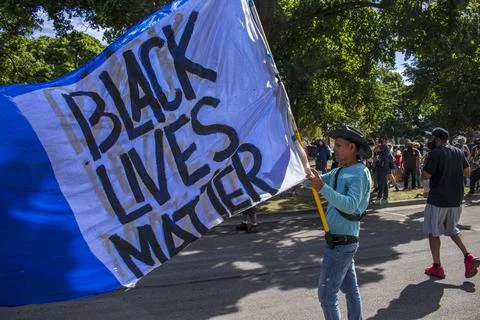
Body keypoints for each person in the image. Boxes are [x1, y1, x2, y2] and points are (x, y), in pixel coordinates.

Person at [307, 125, 372, 320]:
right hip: (339, 243)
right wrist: (305, 173)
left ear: (352, 148)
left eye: (338, 145)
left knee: (326, 295)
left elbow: (351, 205)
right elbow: (313, 182)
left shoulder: (359, 172)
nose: (334, 148)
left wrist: (322, 187)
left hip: (342, 245)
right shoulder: (338, 172)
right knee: (350, 290)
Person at [422, 128, 479, 279]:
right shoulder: (458, 151)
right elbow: (467, 172)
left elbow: (426, 174)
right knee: (452, 229)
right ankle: (468, 257)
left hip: (438, 199)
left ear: (438, 139)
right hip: (455, 199)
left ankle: (437, 267)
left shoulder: (435, 153)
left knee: (433, 232)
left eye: (432, 138)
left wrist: (428, 161)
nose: (430, 141)